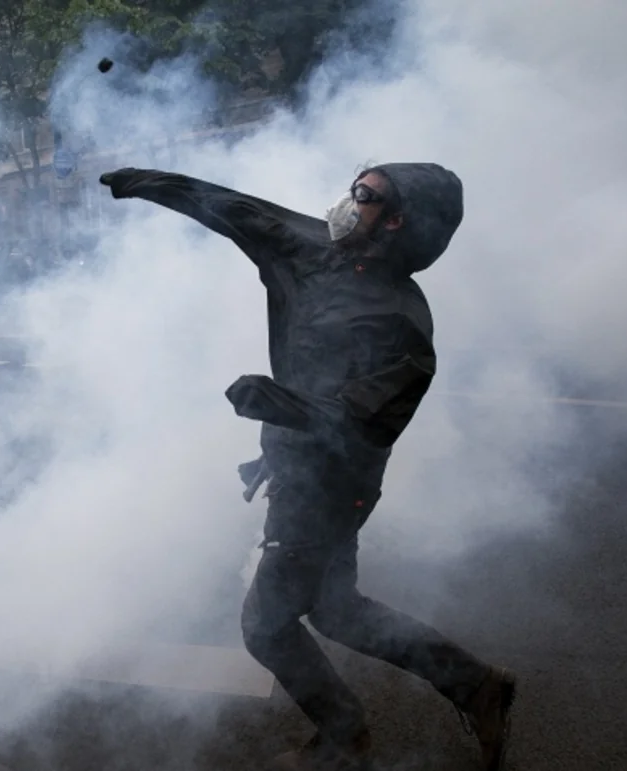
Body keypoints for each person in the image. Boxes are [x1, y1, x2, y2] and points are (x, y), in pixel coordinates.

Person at [98, 164, 516, 771]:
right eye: (355, 186)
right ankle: (477, 687)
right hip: (299, 467)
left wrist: (278, 407)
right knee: (336, 609)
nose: (349, 202)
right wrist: (153, 183)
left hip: (333, 488)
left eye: (367, 197)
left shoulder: (403, 328)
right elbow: (241, 213)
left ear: (398, 222)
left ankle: (345, 738)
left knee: (266, 626)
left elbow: (364, 422)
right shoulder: (317, 249)